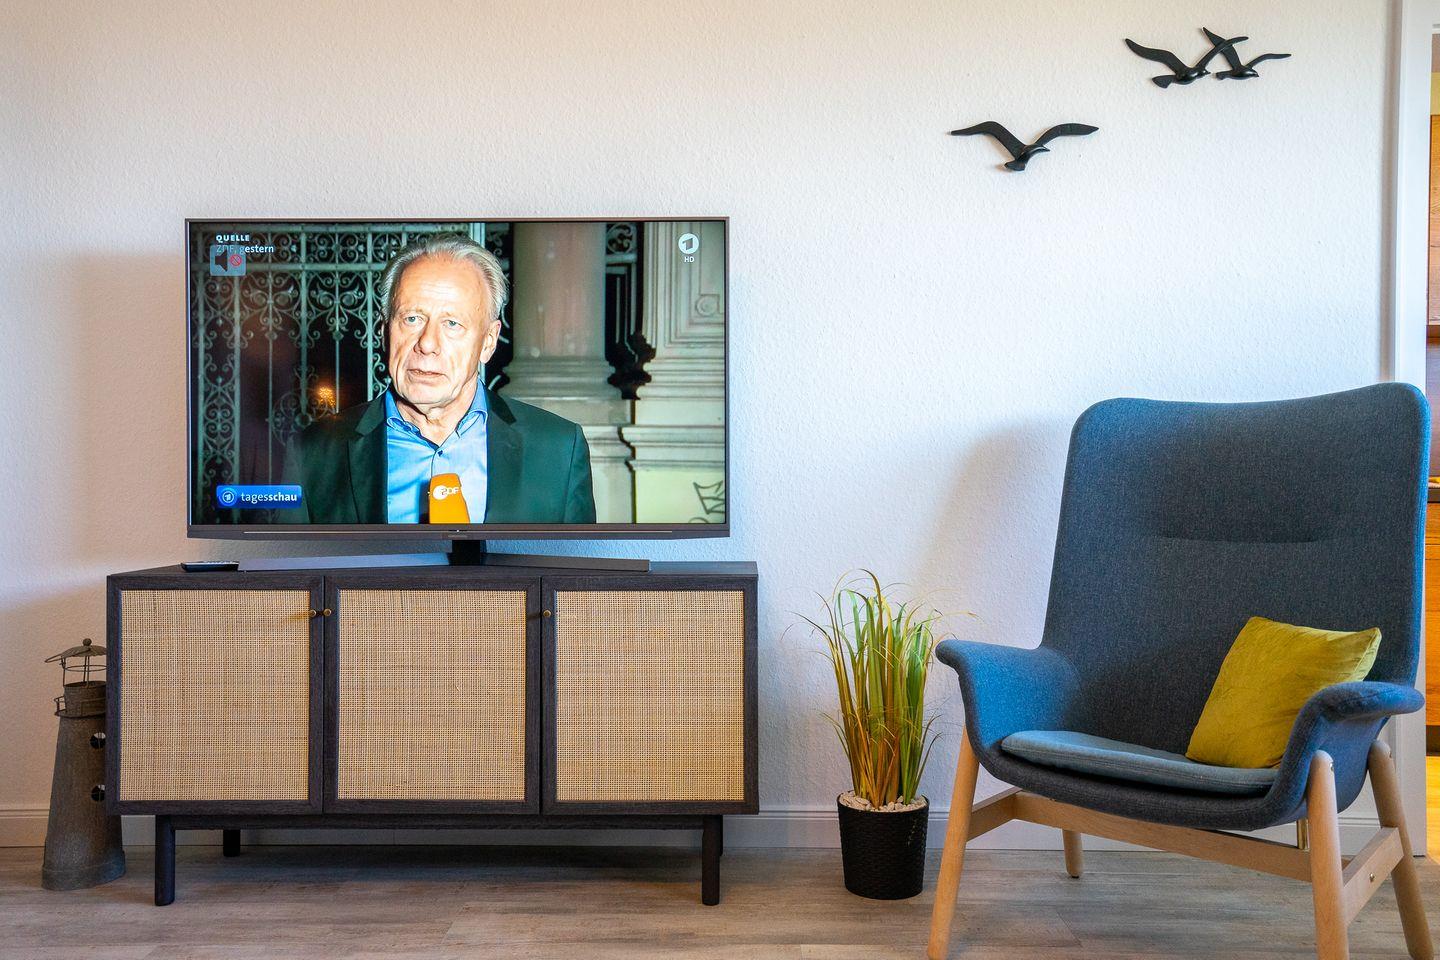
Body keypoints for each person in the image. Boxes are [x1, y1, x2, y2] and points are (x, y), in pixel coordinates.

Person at [280, 234, 596, 524]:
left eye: (452, 323)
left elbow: (573, 568)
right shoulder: (314, 453)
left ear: (488, 342)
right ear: (384, 332)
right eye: (412, 319)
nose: (427, 343)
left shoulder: (558, 449)